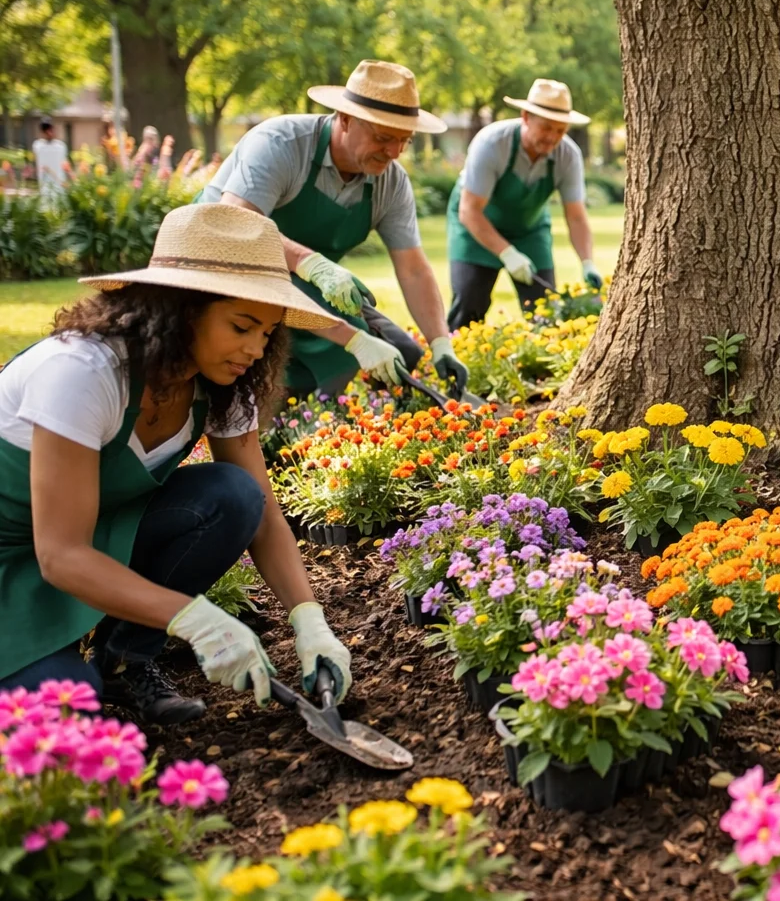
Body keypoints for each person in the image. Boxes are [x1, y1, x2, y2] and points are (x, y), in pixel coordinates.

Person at [0, 202, 356, 722]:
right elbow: (59, 555)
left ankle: (122, 660)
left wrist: (310, 622)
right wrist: (195, 620)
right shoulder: (82, 372)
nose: (256, 349)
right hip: (22, 555)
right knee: (66, 715)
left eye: (267, 332)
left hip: (92, 534)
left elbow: (261, 514)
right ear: (182, 308)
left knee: (233, 497)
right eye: (241, 326)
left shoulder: (221, 381)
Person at [203, 60, 468, 398]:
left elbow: (413, 269)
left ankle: (318, 424)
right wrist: (312, 265)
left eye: (405, 141)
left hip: (304, 279)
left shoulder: (390, 181)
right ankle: (281, 426)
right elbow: (235, 222)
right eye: (384, 137)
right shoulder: (281, 144)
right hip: (226, 269)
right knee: (348, 345)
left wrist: (442, 343)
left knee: (404, 351)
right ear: (345, 119)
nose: (394, 153)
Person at [446, 79, 603, 328]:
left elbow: (576, 215)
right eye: (546, 127)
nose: (553, 137)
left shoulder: (568, 156)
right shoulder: (492, 144)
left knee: (545, 313)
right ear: (526, 117)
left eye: (560, 130)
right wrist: (506, 253)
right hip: (475, 227)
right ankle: (454, 364)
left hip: (528, 232)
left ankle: (540, 368)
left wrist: (587, 262)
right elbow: (469, 210)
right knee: (469, 303)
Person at [32, 117, 72, 208]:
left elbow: (65, 164)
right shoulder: (38, 146)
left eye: (50, 129)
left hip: (60, 186)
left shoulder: (61, 146)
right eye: (45, 130)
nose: (49, 132)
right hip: (44, 187)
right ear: (42, 132)